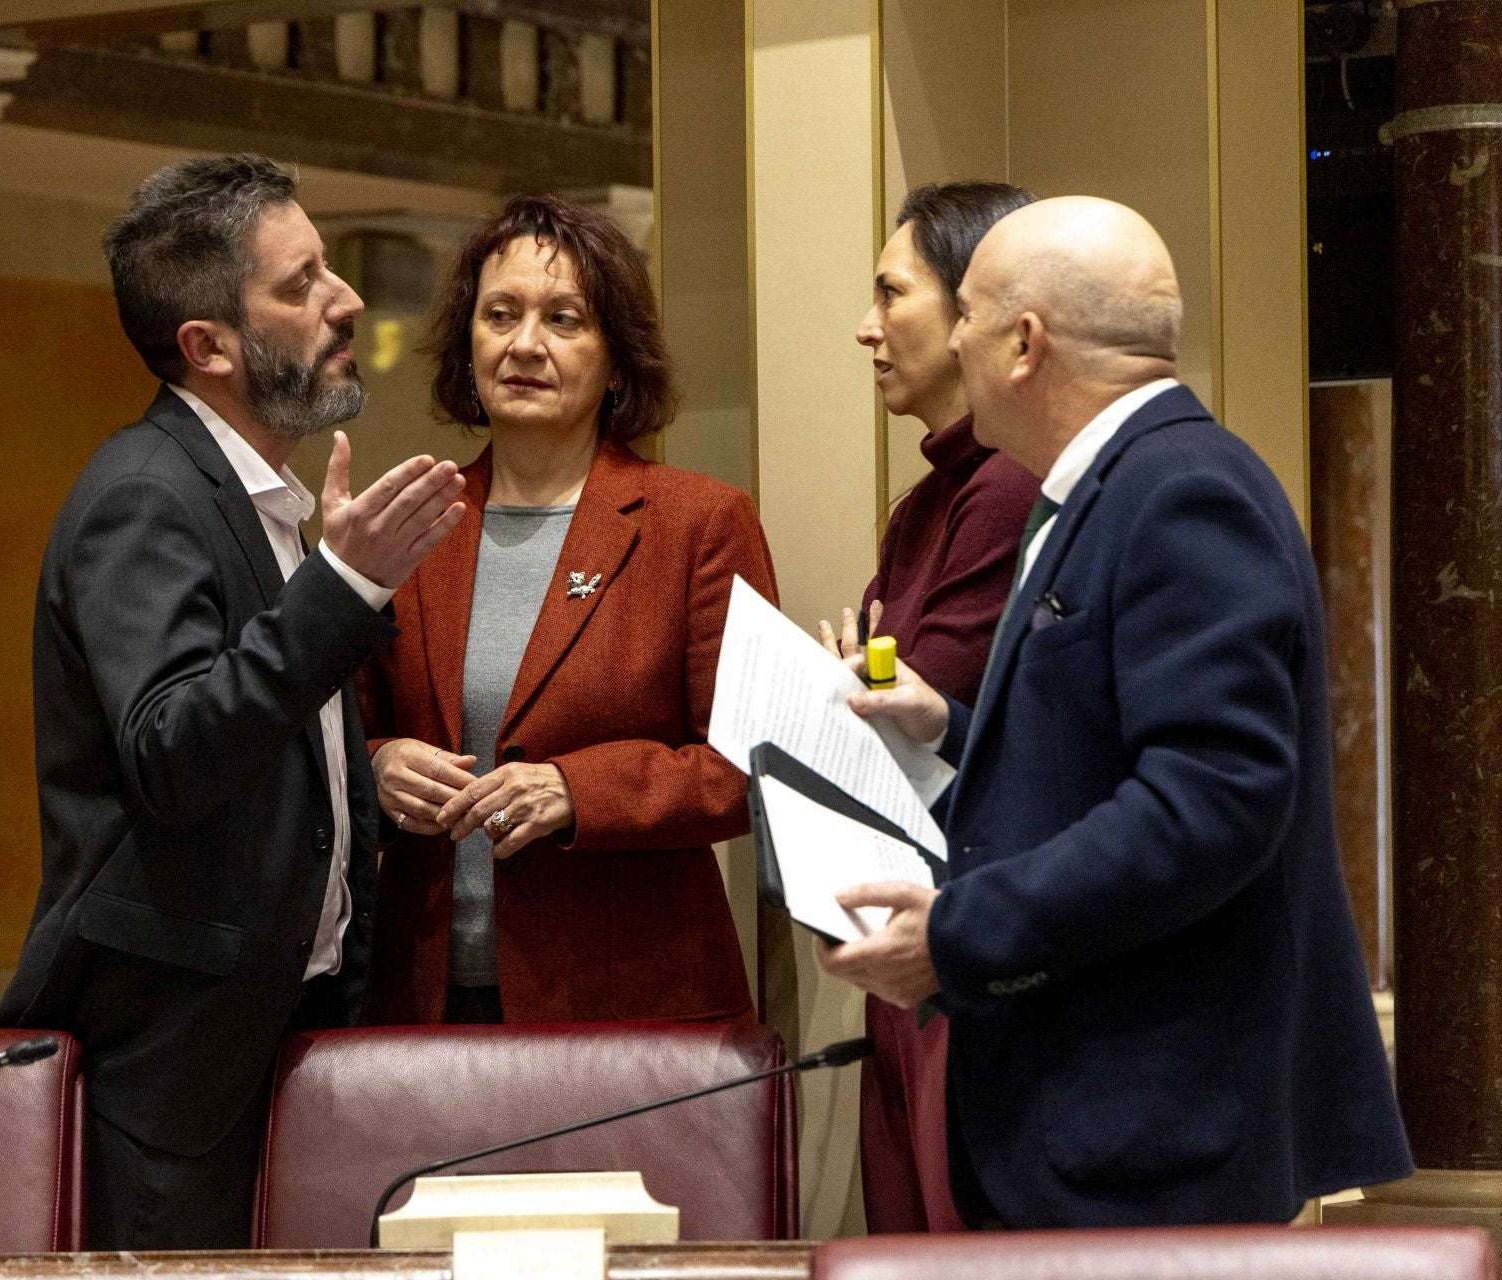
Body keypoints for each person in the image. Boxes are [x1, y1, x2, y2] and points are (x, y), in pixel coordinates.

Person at [819, 196, 1411, 1226]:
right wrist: (949, 729)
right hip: (1116, 1123)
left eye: (969, 315)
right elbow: (1101, 755)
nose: (952, 338)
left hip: (1152, 1130)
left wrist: (961, 930)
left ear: (1024, 342)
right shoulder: (1118, 483)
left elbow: (1214, 800)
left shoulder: (1180, 491)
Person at [0, 154, 467, 1250]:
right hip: (173, 1059)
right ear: (207, 347)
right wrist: (342, 591)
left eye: (329, 270)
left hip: (288, 1026)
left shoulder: (272, 498)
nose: (344, 300)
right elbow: (174, 750)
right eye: (300, 284)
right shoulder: (144, 497)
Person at [359, 194, 778, 1026]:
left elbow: (749, 768)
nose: (524, 344)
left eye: (563, 319)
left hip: (629, 1007)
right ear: (468, 345)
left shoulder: (697, 523)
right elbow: (341, 738)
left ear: (617, 358)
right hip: (427, 1002)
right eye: (500, 315)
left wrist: (576, 791)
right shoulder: (413, 523)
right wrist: (376, 767)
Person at [817, 180, 1039, 1235]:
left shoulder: (1001, 490)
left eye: (890, 291)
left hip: (961, 927)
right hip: (916, 923)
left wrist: (851, 686)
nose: (866, 325)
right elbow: (886, 686)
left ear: (972, 313)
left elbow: (920, 699)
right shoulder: (931, 501)